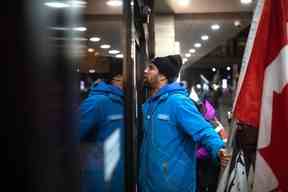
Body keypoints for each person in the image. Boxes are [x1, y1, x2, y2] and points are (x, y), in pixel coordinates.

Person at [139, 55, 229, 192]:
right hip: (150, 184)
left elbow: (204, 130)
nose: (145, 71)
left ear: (163, 77)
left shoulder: (178, 102)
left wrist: (219, 150)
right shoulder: (150, 104)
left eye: (151, 68)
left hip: (174, 186)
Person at [79, 57, 124, 192]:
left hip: (119, 177)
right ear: (117, 78)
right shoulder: (96, 102)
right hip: (100, 181)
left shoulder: (123, 101)